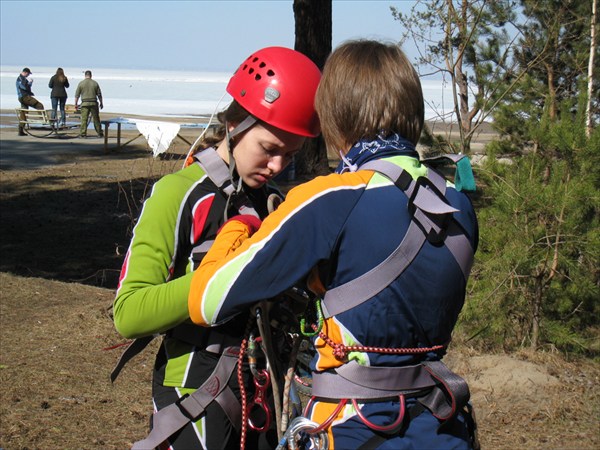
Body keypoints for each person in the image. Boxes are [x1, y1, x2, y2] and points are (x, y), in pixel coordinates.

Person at [188, 40, 480, 449]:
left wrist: (239, 226)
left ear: (334, 117)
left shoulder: (331, 197)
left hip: (354, 427)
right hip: (440, 425)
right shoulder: (458, 203)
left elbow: (207, 300)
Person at [112, 46, 321, 449]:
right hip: (195, 400)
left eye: (289, 155)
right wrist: (216, 281)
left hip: (267, 394)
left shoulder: (274, 203)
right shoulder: (177, 194)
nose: (277, 166)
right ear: (233, 124)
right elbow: (129, 313)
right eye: (269, 148)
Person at [74, 70, 103, 138]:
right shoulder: (95, 83)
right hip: (94, 103)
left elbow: (77, 95)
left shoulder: (81, 83)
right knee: (96, 119)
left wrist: (75, 103)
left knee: (84, 119)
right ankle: (99, 133)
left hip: (84, 104)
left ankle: (83, 134)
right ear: (91, 75)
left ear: (85, 75)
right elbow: (99, 95)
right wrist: (101, 103)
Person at [16, 67, 44, 136]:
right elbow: (24, 87)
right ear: (25, 72)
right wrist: (30, 83)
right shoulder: (21, 78)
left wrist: (29, 85)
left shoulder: (21, 78)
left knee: (24, 112)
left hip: (21, 97)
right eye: (28, 74)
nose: (28, 75)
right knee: (39, 105)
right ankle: (43, 119)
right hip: (25, 97)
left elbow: (25, 87)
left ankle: (20, 130)